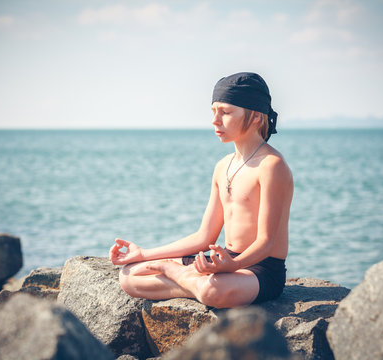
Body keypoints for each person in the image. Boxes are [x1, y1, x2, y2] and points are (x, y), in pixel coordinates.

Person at [109, 72, 293, 308]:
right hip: (224, 260)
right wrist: (144, 254)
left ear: (256, 116)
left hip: (260, 269)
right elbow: (204, 237)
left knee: (213, 291)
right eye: (213, 112)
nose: (215, 121)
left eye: (225, 112)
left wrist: (233, 266)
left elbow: (266, 242)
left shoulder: (271, 165)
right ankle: (191, 282)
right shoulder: (223, 166)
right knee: (129, 276)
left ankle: (179, 275)